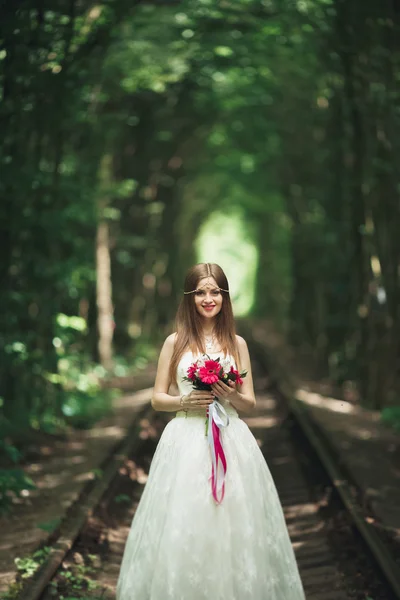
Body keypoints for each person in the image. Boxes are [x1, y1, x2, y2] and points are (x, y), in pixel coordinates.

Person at [116, 262, 306, 600]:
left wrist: (228, 393)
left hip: (231, 438)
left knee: (232, 522)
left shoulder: (237, 343)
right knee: (186, 520)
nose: (208, 299)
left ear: (224, 296)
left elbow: (249, 404)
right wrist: (185, 402)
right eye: (201, 292)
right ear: (189, 298)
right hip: (185, 440)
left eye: (215, 291)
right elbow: (158, 399)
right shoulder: (174, 343)